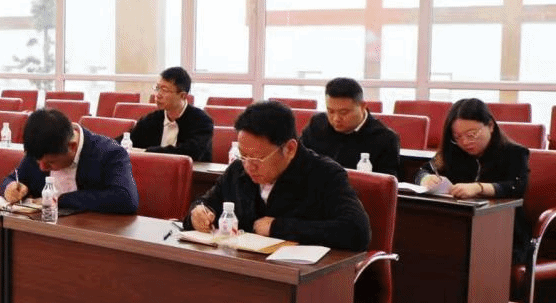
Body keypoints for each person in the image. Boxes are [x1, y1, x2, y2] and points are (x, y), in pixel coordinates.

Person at [186, 101, 370, 251]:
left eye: (258, 158)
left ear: (289, 149)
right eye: (243, 155)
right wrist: (197, 214)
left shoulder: (324, 174)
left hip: (298, 274)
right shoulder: (237, 170)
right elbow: (207, 203)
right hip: (242, 267)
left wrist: (278, 227)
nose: (249, 166)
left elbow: (356, 231)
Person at [418, 98, 530, 263]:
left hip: (504, 234)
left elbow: (517, 186)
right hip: (459, 229)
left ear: (490, 126)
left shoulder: (514, 153)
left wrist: (479, 188)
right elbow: (424, 170)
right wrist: (426, 178)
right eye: (457, 136)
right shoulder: (453, 152)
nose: (464, 142)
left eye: (471, 134)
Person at [2, 108, 138, 214]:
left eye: (50, 163)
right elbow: (12, 178)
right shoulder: (40, 147)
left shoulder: (109, 152)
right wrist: (10, 187)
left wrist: (60, 200)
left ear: (71, 146)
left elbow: (126, 199)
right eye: (39, 162)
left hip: (91, 232)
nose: (42, 167)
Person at [299, 77, 400, 176]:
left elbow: (385, 183)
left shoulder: (385, 138)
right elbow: (298, 159)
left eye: (343, 112)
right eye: (331, 111)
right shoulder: (317, 123)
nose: (336, 119)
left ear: (362, 106)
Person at [126, 66, 214, 161]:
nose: (158, 95)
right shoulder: (152, 119)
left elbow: (190, 152)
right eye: (157, 88)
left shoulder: (202, 121)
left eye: (165, 90)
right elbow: (127, 140)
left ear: (183, 96)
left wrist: (150, 152)